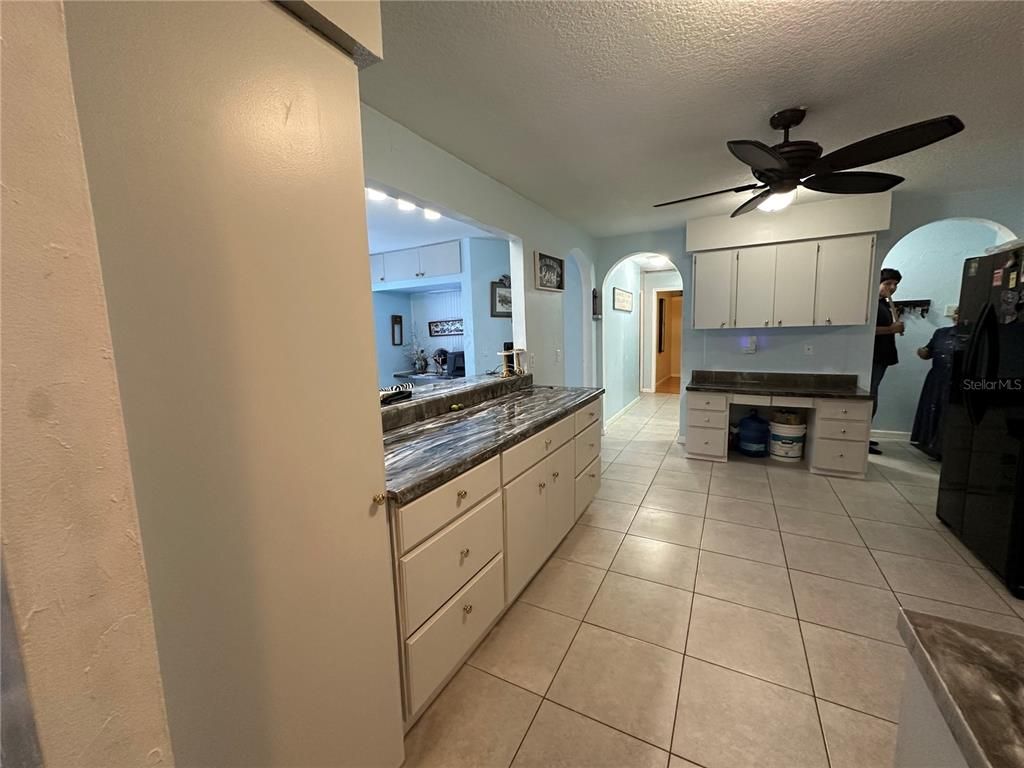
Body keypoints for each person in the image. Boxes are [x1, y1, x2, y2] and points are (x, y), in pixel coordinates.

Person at [911, 310, 959, 460]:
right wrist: (923, 351)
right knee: (933, 408)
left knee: (947, 411)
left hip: (956, 379)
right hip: (937, 377)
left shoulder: (970, 334)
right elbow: (928, 351)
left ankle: (942, 446)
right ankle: (928, 443)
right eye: (956, 314)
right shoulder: (941, 333)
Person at [871, 268, 905, 455]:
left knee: (873, 397)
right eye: (888, 284)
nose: (892, 288)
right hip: (873, 357)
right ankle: (860, 439)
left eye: (895, 285)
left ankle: (863, 436)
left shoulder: (883, 304)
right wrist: (891, 329)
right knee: (870, 397)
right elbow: (867, 331)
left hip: (882, 357)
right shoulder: (870, 304)